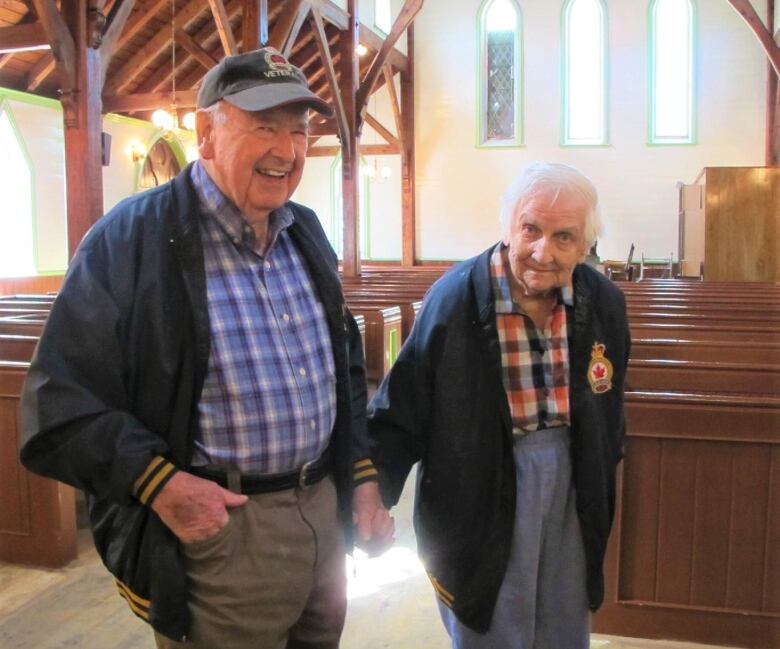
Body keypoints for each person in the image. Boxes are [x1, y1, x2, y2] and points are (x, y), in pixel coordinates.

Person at [20, 47, 389, 649]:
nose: (287, 149)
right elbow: (57, 406)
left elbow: (343, 364)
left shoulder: (307, 231)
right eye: (264, 125)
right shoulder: (130, 240)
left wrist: (361, 479)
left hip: (323, 517)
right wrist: (162, 485)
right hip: (224, 532)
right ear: (206, 133)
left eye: (298, 129)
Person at [357, 163, 631, 648]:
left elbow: (609, 399)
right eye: (531, 229)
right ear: (508, 226)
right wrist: (373, 491)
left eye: (563, 237)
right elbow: (401, 409)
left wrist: (606, 460)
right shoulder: (455, 299)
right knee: (491, 617)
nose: (542, 251)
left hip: (572, 480)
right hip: (479, 479)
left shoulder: (602, 300)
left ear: (585, 246)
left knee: (564, 623)